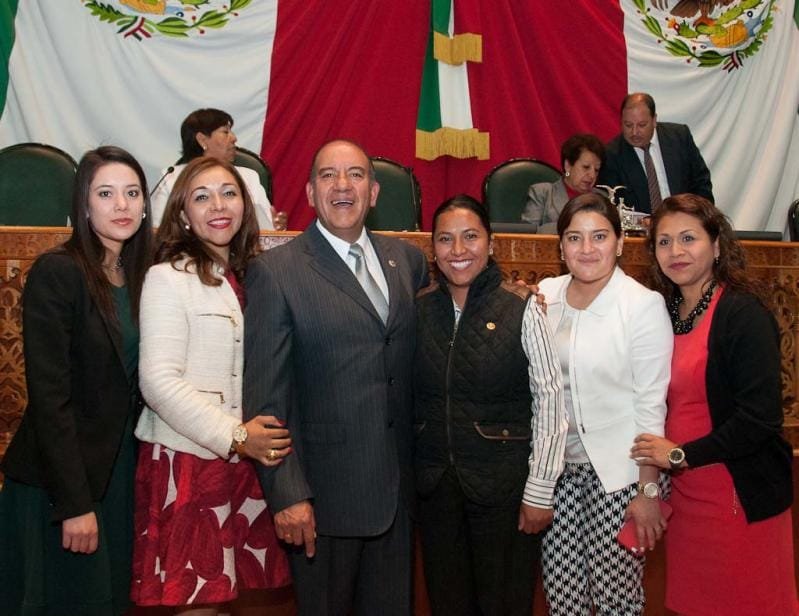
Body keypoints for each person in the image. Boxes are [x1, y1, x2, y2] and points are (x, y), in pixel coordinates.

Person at [243, 139, 429, 615]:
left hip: (399, 497)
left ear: (374, 192)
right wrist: (287, 494)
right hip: (322, 504)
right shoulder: (276, 273)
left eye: (355, 175)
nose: (342, 185)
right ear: (310, 192)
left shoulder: (406, 261)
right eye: (328, 175)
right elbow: (266, 402)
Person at [131, 157, 292, 612]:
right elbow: (158, 382)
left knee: (235, 597)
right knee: (199, 599)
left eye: (229, 193)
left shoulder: (254, 276)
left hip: (247, 461)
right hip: (191, 460)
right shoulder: (167, 278)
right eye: (202, 197)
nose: (218, 205)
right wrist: (237, 436)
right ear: (183, 214)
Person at [0, 146, 153, 615]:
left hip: (119, 469)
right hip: (61, 480)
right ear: (83, 204)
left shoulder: (144, 275)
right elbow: (50, 398)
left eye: (132, 193)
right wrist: (74, 503)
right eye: (105, 194)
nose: (121, 205)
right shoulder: (59, 271)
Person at [631, 194, 798, 615]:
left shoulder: (742, 313)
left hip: (738, 494)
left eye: (689, 238)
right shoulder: (661, 312)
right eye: (664, 242)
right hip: (686, 499)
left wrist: (680, 455)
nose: (676, 251)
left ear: (717, 245)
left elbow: (760, 419)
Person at [414, 194, 565, 616]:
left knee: (504, 603)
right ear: (433, 248)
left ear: (491, 243)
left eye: (470, 236)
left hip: (504, 490)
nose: (458, 250)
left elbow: (551, 402)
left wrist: (540, 490)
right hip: (436, 491)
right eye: (445, 239)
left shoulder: (522, 307)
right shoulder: (418, 308)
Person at [536, 193, 673, 615]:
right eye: (574, 238)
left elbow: (651, 407)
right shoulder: (545, 295)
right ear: (561, 247)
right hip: (559, 474)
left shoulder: (642, 305)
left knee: (617, 599)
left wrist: (648, 491)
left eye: (599, 236)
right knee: (563, 596)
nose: (587, 248)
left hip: (621, 476)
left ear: (620, 242)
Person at [150, 107, 287, 230]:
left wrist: (276, 228)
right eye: (225, 132)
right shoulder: (172, 178)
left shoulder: (249, 176)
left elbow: (267, 227)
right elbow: (158, 230)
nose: (234, 138)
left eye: (229, 193)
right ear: (202, 140)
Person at [599, 92, 713, 214]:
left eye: (642, 125)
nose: (634, 132)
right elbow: (613, 206)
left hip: (684, 218)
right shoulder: (611, 155)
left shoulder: (679, 137)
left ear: (654, 120)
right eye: (628, 125)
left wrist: (695, 217)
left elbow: (701, 183)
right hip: (640, 225)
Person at [522, 133, 605, 234]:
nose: (592, 175)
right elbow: (528, 234)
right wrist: (574, 225)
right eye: (586, 167)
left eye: (596, 170)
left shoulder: (603, 198)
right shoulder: (542, 193)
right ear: (568, 166)